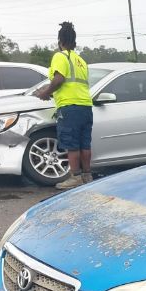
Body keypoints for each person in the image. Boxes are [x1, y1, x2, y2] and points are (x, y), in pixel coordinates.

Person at [34, 22, 93, 189]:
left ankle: (75, 177)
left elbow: (59, 79)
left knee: (71, 144)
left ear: (60, 41)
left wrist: (45, 93)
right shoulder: (80, 60)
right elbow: (71, 83)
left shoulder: (60, 56)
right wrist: (50, 91)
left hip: (69, 107)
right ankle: (87, 175)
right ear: (74, 41)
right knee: (84, 144)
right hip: (85, 106)